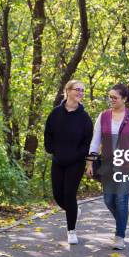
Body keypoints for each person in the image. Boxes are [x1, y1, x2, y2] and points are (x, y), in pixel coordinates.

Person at [86, 83, 129, 250]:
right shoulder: (103, 116)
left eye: (114, 97)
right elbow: (95, 140)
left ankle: (120, 235)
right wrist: (90, 162)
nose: (111, 100)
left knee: (121, 199)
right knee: (108, 200)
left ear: (124, 99)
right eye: (110, 96)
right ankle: (122, 221)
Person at [44, 80, 93, 245]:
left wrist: (79, 156)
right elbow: (48, 133)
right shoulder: (55, 113)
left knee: (69, 194)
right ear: (68, 91)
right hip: (58, 160)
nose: (80, 92)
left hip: (76, 162)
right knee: (58, 195)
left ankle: (71, 230)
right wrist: (52, 150)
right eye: (77, 89)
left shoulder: (85, 118)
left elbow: (87, 142)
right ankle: (74, 210)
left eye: (82, 90)